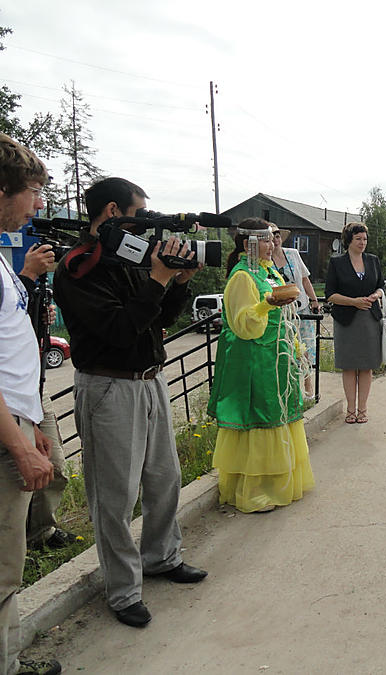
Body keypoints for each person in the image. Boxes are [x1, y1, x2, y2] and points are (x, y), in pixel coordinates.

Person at [53, 177, 207, 630]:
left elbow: (157, 322)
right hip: (108, 387)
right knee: (116, 495)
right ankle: (123, 590)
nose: (145, 229)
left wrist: (176, 283)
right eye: (139, 217)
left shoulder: (129, 258)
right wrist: (157, 278)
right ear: (114, 212)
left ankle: (161, 557)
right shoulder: (79, 266)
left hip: (150, 380)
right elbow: (121, 330)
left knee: (164, 478)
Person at [0, 133, 61, 675]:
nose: (40, 202)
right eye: (34, 190)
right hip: (4, 437)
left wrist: (32, 421)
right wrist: (18, 444)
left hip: (17, 422)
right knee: (1, 568)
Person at [207, 218, 315, 513]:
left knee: (280, 417)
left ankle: (278, 483)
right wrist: (267, 303)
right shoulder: (242, 277)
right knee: (261, 418)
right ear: (249, 244)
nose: (273, 244)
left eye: (273, 238)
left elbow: (284, 317)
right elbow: (244, 324)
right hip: (256, 359)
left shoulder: (269, 272)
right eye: (266, 239)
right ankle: (256, 491)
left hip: (277, 358)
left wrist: (296, 350)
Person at [16, 244, 78, 551]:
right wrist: (27, 275)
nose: (38, 205)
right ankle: (18, 543)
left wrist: (39, 312)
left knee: (54, 468)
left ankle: (41, 532)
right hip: (12, 395)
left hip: (35, 389)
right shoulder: (17, 280)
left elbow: (18, 330)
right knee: (17, 477)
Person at [325, 222, 385, 425]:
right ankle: (350, 410)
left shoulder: (373, 261)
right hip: (346, 320)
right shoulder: (337, 263)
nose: (362, 242)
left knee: (366, 367)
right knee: (349, 366)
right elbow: (330, 295)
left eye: (365, 239)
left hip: (370, 319)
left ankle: (363, 409)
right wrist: (354, 302)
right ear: (349, 240)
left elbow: (381, 286)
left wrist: (375, 296)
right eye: (358, 238)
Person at [271, 225, 319, 400]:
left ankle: (308, 389)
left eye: (277, 236)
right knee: (285, 350)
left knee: (305, 350)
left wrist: (314, 300)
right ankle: (288, 391)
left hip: (301, 308)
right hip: (281, 312)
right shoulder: (265, 260)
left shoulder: (292, 253)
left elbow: (305, 279)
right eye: (272, 236)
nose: (275, 240)